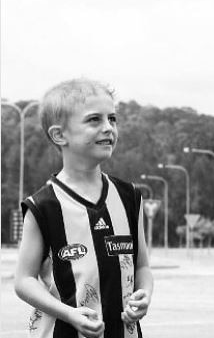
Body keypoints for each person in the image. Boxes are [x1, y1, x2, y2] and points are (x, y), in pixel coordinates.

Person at [14, 78, 153, 338]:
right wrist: (68, 314)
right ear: (59, 135)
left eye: (112, 119)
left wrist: (144, 295)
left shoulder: (130, 196)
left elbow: (142, 266)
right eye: (94, 120)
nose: (108, 128)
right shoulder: (43, 206)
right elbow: (23, 281)